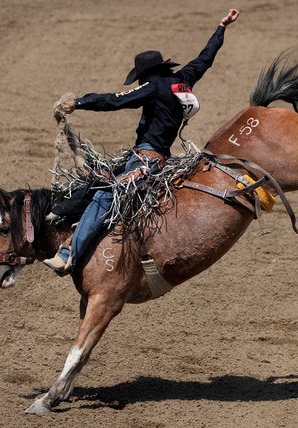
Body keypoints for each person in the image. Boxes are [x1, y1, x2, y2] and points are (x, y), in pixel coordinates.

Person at [44, 8, 240, 274]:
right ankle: (62, 211)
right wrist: (221, 28)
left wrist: (79, 102)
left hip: (145, 159)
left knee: (104, 195)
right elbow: (205, 59)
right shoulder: (182, 81)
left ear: (146, 74)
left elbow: (115, 100)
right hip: (158, 157)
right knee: (100, 179)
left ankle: (69, 253)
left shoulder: (152, 87)